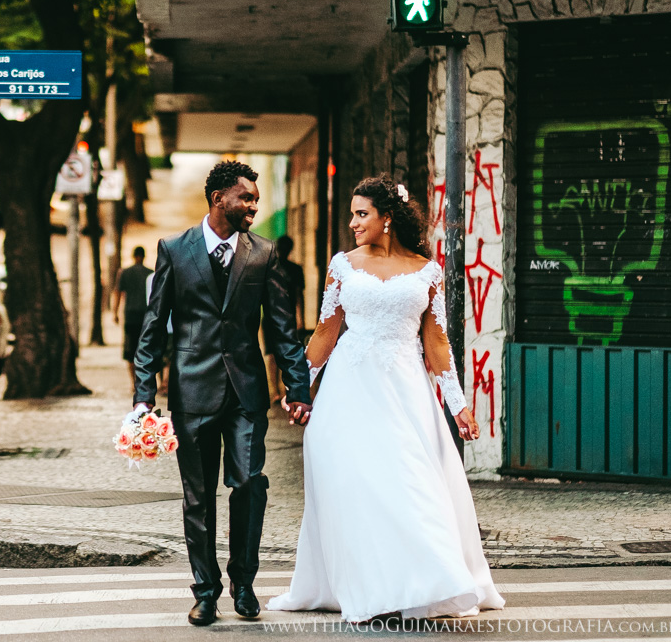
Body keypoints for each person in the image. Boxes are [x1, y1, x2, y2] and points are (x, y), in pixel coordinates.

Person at [267, 174, 505, 623]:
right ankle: (367, 586)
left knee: (410, 485)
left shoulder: (426, 270)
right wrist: (298, 389)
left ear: (387, 219)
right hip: (348, 392)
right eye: (352, 215)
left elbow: (437, 344)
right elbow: (326, 331)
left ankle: (428, 581)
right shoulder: (343, 265)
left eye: (362, 214)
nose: (353, 223)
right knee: (357, 488)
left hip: (406, 393)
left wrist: (459, 406)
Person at [132, 160, 311, 627]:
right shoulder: (174, 249)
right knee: (198, 497)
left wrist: (298, 388)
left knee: (249, 482)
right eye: (246, 198)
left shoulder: (264, 254)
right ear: (219, 199)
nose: (253, 205)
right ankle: (206, 591)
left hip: (246, 392)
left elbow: (281, 329)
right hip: (191, 392)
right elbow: (154, 328)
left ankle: (244, 582)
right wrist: (143, 397)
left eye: (255, 198)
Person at [263, 235, 305, 401]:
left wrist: (300, 318)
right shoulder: (268, 269)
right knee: (272, 354)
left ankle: (284, 389)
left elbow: (299, 295)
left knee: (286, 354)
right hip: (269, 317)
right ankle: (275, 391)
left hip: (289, 318)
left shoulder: (295, 270)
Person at [113, 246, 153, 389]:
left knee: (130, 351)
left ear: (133, 256)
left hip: (130, 316)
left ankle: (133, 382)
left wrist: (115, 312)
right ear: (143, 256)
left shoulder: (124, 273)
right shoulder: (150, 274)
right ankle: (144, 381)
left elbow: (118, 293)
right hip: (146, 317)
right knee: (145, 349)